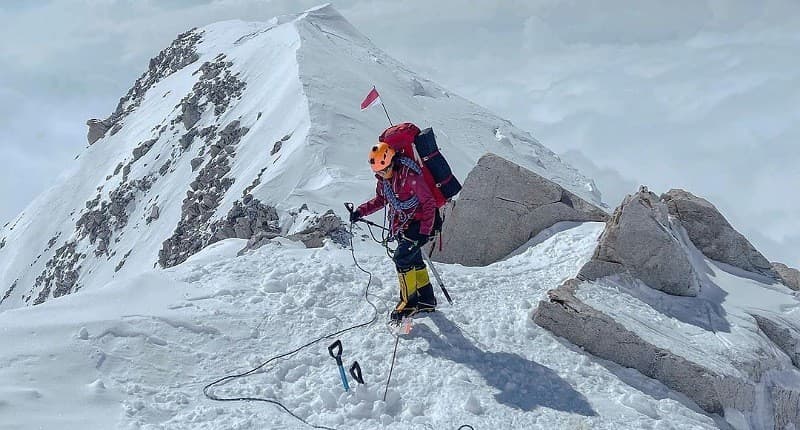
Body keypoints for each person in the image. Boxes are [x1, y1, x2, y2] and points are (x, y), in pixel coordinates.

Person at [350, 142, 439, 322]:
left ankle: (409, 303)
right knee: (413, 260)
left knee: (402, 258)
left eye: (384, 171)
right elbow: (381, 200)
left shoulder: (411, 177)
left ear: (392, 162)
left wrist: (424, 232)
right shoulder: (385, 181)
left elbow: (429, 203)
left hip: (419, 224)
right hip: (403, 225)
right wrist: (360, 211)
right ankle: (427, 300)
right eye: (379, 172)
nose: (381, 175)